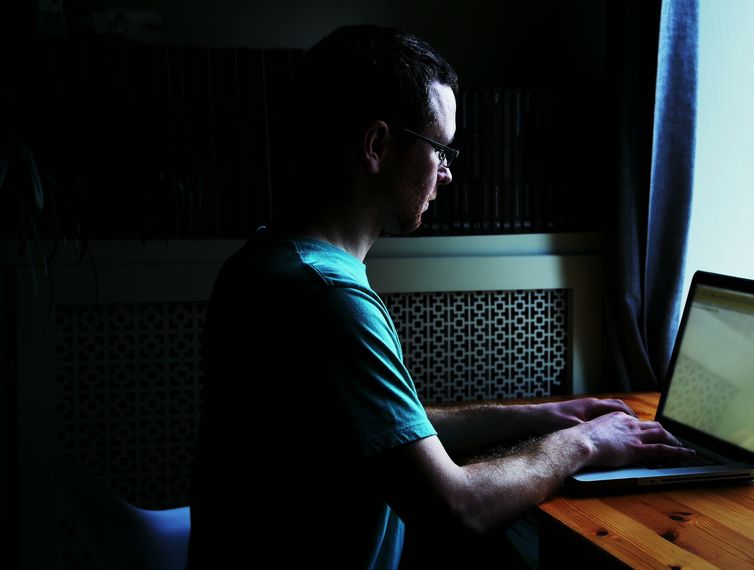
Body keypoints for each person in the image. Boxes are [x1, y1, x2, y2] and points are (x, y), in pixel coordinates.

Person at [186, 24, 691, 569]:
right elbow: (456, 507)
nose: (447, 173)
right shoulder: (328, 297)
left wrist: (549, 415)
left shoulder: (267, 260)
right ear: (377, 146)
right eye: (439, 148)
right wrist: (585, 444)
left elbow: (388, 432)